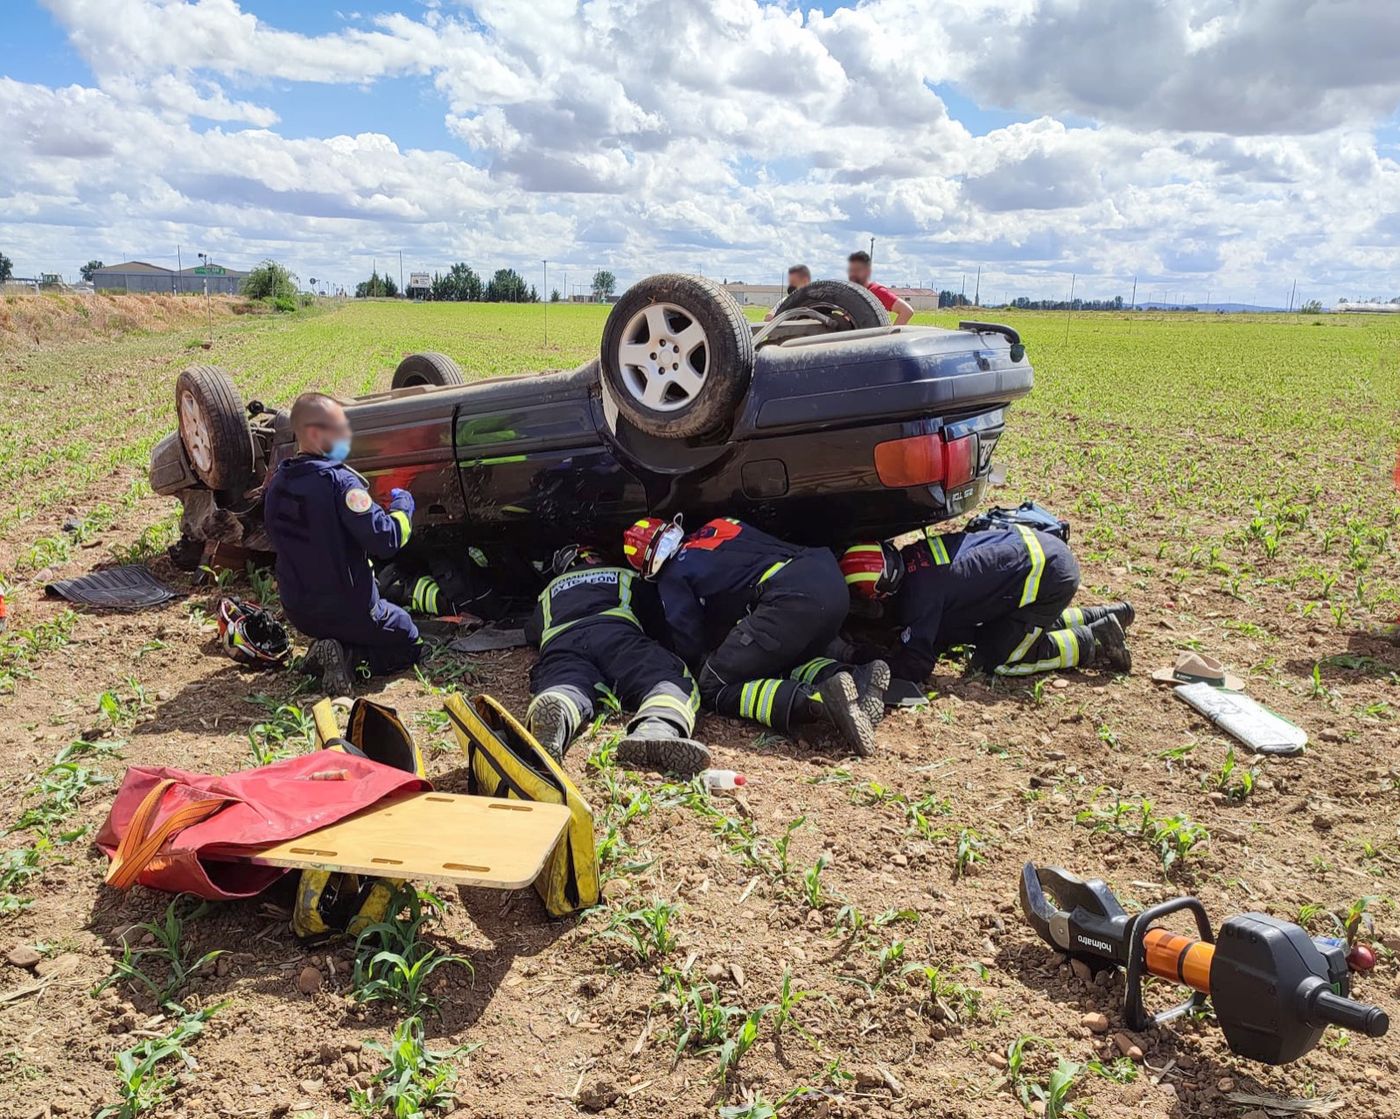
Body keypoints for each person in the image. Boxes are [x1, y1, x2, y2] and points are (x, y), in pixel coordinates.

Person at [623, 516, 887, 756]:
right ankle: (856, 679)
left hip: (789, 601)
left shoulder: (673, 576)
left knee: (714, 685)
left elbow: (688, 641)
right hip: (827, 579)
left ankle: (820, 701)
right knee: (784, 657)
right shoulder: (720, 524)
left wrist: (703, 660)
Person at [263, 393, 421, 695]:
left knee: (349, 624)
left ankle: (329, 648)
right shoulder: (342, 484)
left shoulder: (278, 483)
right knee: (410, 640)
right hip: (350, 609)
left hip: (300, 610)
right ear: (313, 433)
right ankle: (351, 658)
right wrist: (403, 505)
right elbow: (386, 539)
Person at [839, 526, 1133, 683]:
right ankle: (1104, 616)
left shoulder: (919, 598)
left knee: (995, 660)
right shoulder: (915, 554)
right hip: (1041, 549)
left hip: (1048, 579)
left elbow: (917, 665)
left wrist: (859, 658)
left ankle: (1094, 640)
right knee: (996, 630)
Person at [525, 544, 709, 775]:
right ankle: (657, 726)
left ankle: (558, 707)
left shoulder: (549, 591)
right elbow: (656, 615)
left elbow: (533, 633)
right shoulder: (624, 574)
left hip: (562, 642)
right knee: (667, 678)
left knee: (566, 681)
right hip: (615, 634)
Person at [847, 250, 914, 325]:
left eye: (858, 270)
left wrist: (892, 335)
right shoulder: (853, 293)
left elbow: (906, 311)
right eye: (851, 270)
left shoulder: (877, 291)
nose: (853, 274)